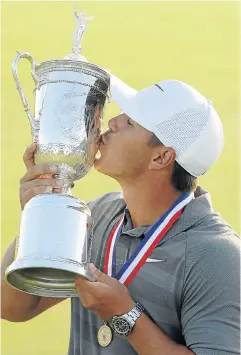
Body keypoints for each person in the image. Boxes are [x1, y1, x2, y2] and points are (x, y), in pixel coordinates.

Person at [1, 74, 240, 355]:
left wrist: (125, 315)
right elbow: (12, 307)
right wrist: (40, 214)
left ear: (161, 157)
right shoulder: (97, 215)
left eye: (131, 122)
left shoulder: (216, 256)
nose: (114, 122)